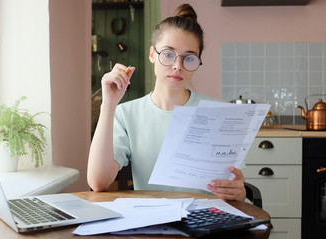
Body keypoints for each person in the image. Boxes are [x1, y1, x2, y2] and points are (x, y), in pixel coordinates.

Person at [87, 3, 246, 201]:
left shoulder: (220, 114)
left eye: (189, 58)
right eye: (169, 54)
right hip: (153, 223)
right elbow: (98, 182)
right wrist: (108, 105)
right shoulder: (126, 114)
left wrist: (238, 191)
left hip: (207, 223)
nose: (178, 66)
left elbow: (239, 194)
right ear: (152, 54)